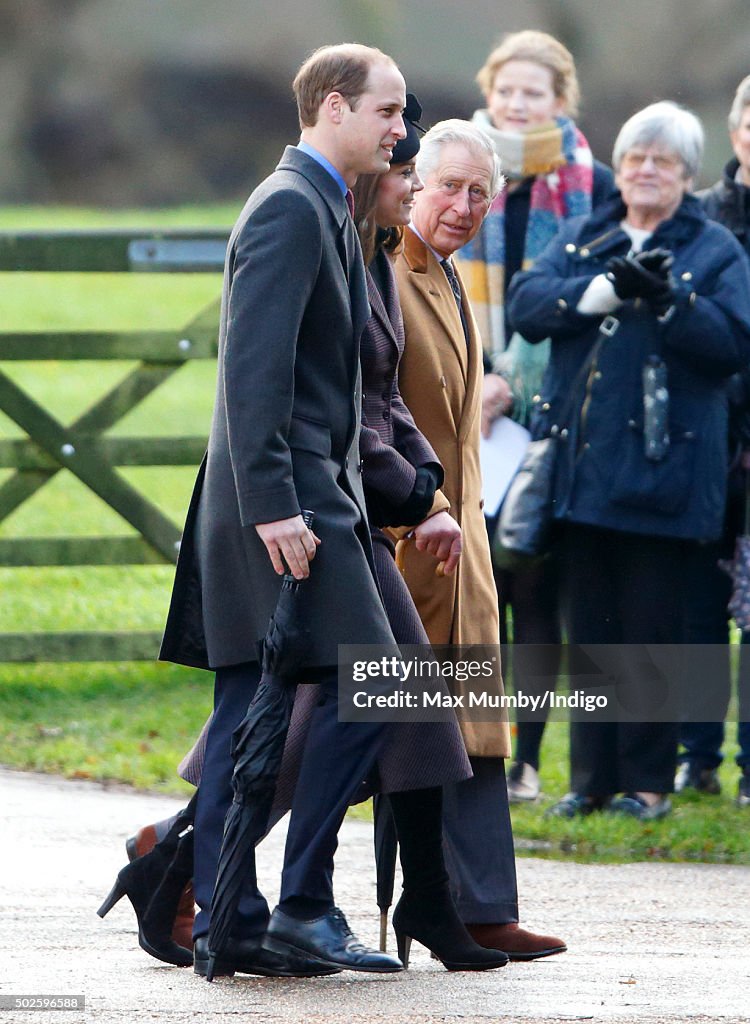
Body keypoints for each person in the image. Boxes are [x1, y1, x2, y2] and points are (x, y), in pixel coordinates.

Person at [156, 42, 413, 977]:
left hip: (311, 498)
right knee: (326, 695)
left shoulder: (326, 208)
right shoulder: (289, 209)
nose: (401, 128)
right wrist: (273, 506)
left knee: (262, 710)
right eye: (387, 111)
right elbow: (250, 375)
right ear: (332, 109)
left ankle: (244, 913)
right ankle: (276, 908)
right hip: (285, 506)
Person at [506, 101, 750, 820]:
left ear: (685, 175)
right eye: (637, 157)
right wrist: (603, 289)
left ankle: (646, 785)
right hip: (586, 472)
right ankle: (590, 782)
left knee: (651, 632)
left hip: (669, 474)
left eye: (664, 162)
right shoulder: (588, 235)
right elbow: (528, 303)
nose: (646, 171)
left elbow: (733, 346)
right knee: (593, 630)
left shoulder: (714, 249)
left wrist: (671, 299)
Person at [392, 118, 566, 959]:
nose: (462, 206)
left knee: (473, 730)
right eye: (448, 187)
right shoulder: (387, 275)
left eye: (478, 194)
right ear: (412, 182)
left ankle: (479, 906)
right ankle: (178, 854)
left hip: (463, 550)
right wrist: (408, 514)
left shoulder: (451, 278)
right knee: (329, 739)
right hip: (400, 547)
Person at [454, 30, 614, 803]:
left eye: (533, 93)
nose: (516, 104)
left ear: (560, 102)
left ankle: (528, 758)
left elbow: (586, 300)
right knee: (468, 586)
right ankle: (468, 748)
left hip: (551, 411)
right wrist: (473, 380)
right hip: (458, 406)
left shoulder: (595, 184)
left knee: (534, 589)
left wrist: (512, 379)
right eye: (505, 90)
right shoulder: (456, 170)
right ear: (489, 92)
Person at [677, 73, 750, 807]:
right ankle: (695, 756)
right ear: (736, 132)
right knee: (698, 607)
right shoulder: (699, 220)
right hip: (704, 440)